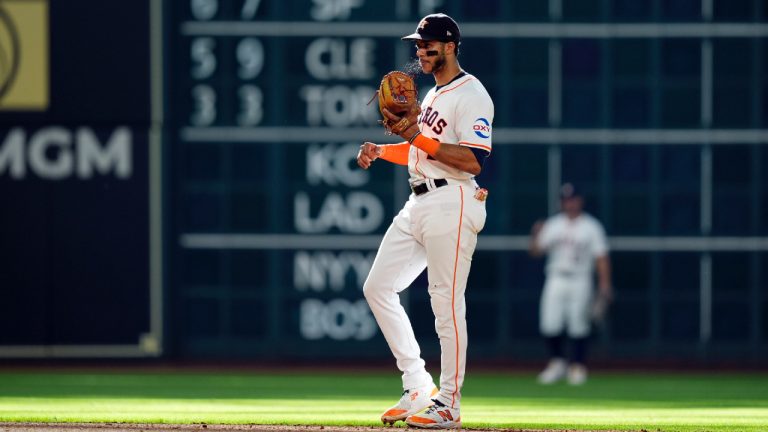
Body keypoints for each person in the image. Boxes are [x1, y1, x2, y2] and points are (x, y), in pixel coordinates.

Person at [356, 13, 493, 429]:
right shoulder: (431, 95)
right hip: (418, 202)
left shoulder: (472, 94)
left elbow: (473, 160)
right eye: (418, 44)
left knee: (445, 304)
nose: (420, 51)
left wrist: (415, 137)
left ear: (450, 46)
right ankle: (417, 384)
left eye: (427, 44)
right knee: (378, 287)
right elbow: (423, 152)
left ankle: (449, 402)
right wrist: (384, 150)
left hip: (453, 202)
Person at [529, 183, 613, 385]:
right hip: (556, 277)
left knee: (579, 323)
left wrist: (605, 284)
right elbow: (536, 252)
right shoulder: (553, 224)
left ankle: (577, 365)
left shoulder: (591, 226)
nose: (570, 203)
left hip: (580, 278)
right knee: (550, 322)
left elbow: (601, 257)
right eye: (566, 199)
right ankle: (557, 363)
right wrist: (535, 235)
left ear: (580, 201)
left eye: (573, 199)